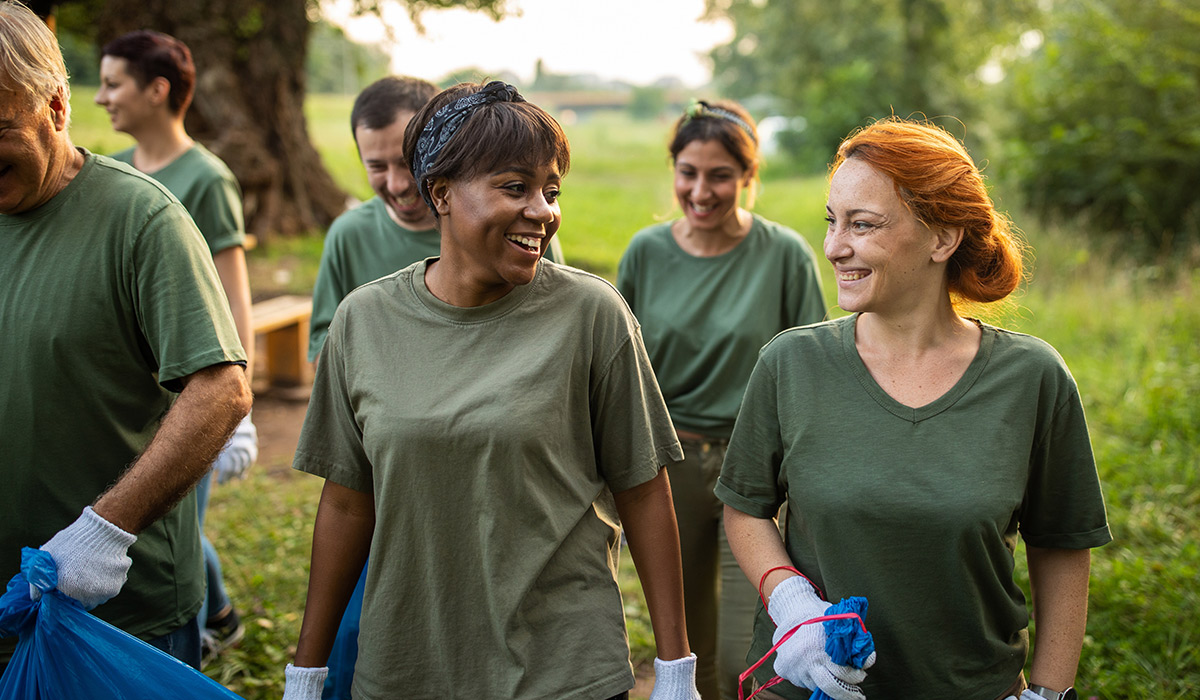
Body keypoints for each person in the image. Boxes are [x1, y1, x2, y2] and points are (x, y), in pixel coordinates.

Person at [281, 81, 699, 700]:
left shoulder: (590, 314)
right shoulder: (363, 322)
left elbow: (643, 491)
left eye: (551, 191)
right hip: (408, 669)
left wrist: (675, 670)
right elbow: (346, 504)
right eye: (515, 188)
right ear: (442, 193)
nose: (543, 211)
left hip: (562, 671)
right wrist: (307, 672)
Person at [716, 117, 1111, 700]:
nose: (834, 247)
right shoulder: (791, 364)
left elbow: (1060, 546)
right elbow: (746, 509)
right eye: (832, 221)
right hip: (808, 689)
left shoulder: (1031, 379)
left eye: (863, 225)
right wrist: (791, 603)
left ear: (942, 237)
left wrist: (1048, 694)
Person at [0, 0, 251, 674]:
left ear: (54, 106)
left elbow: (222, 388)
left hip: (112, 617)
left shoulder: (142, 219)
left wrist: (105, 530)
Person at [617, 99, 826, 700]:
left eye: (720, 175)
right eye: (688, 172)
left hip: (755, 475)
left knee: (747, 650)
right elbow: (621, 373)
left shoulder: (784, 255)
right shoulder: (645, 254)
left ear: (748, 176)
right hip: (669, 467)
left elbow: (809, 378)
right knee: (687, 653)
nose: (701, 190)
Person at [95, 29, 258, 665]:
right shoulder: (115, 174)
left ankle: (196, 628)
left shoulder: (206, 178)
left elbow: (230, 291)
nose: (102, 97)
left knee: (171, 529)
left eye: (114, 83)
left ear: (157, 90)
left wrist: (236, 409)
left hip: (187, 390)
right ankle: (221, 614)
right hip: (127, 392)